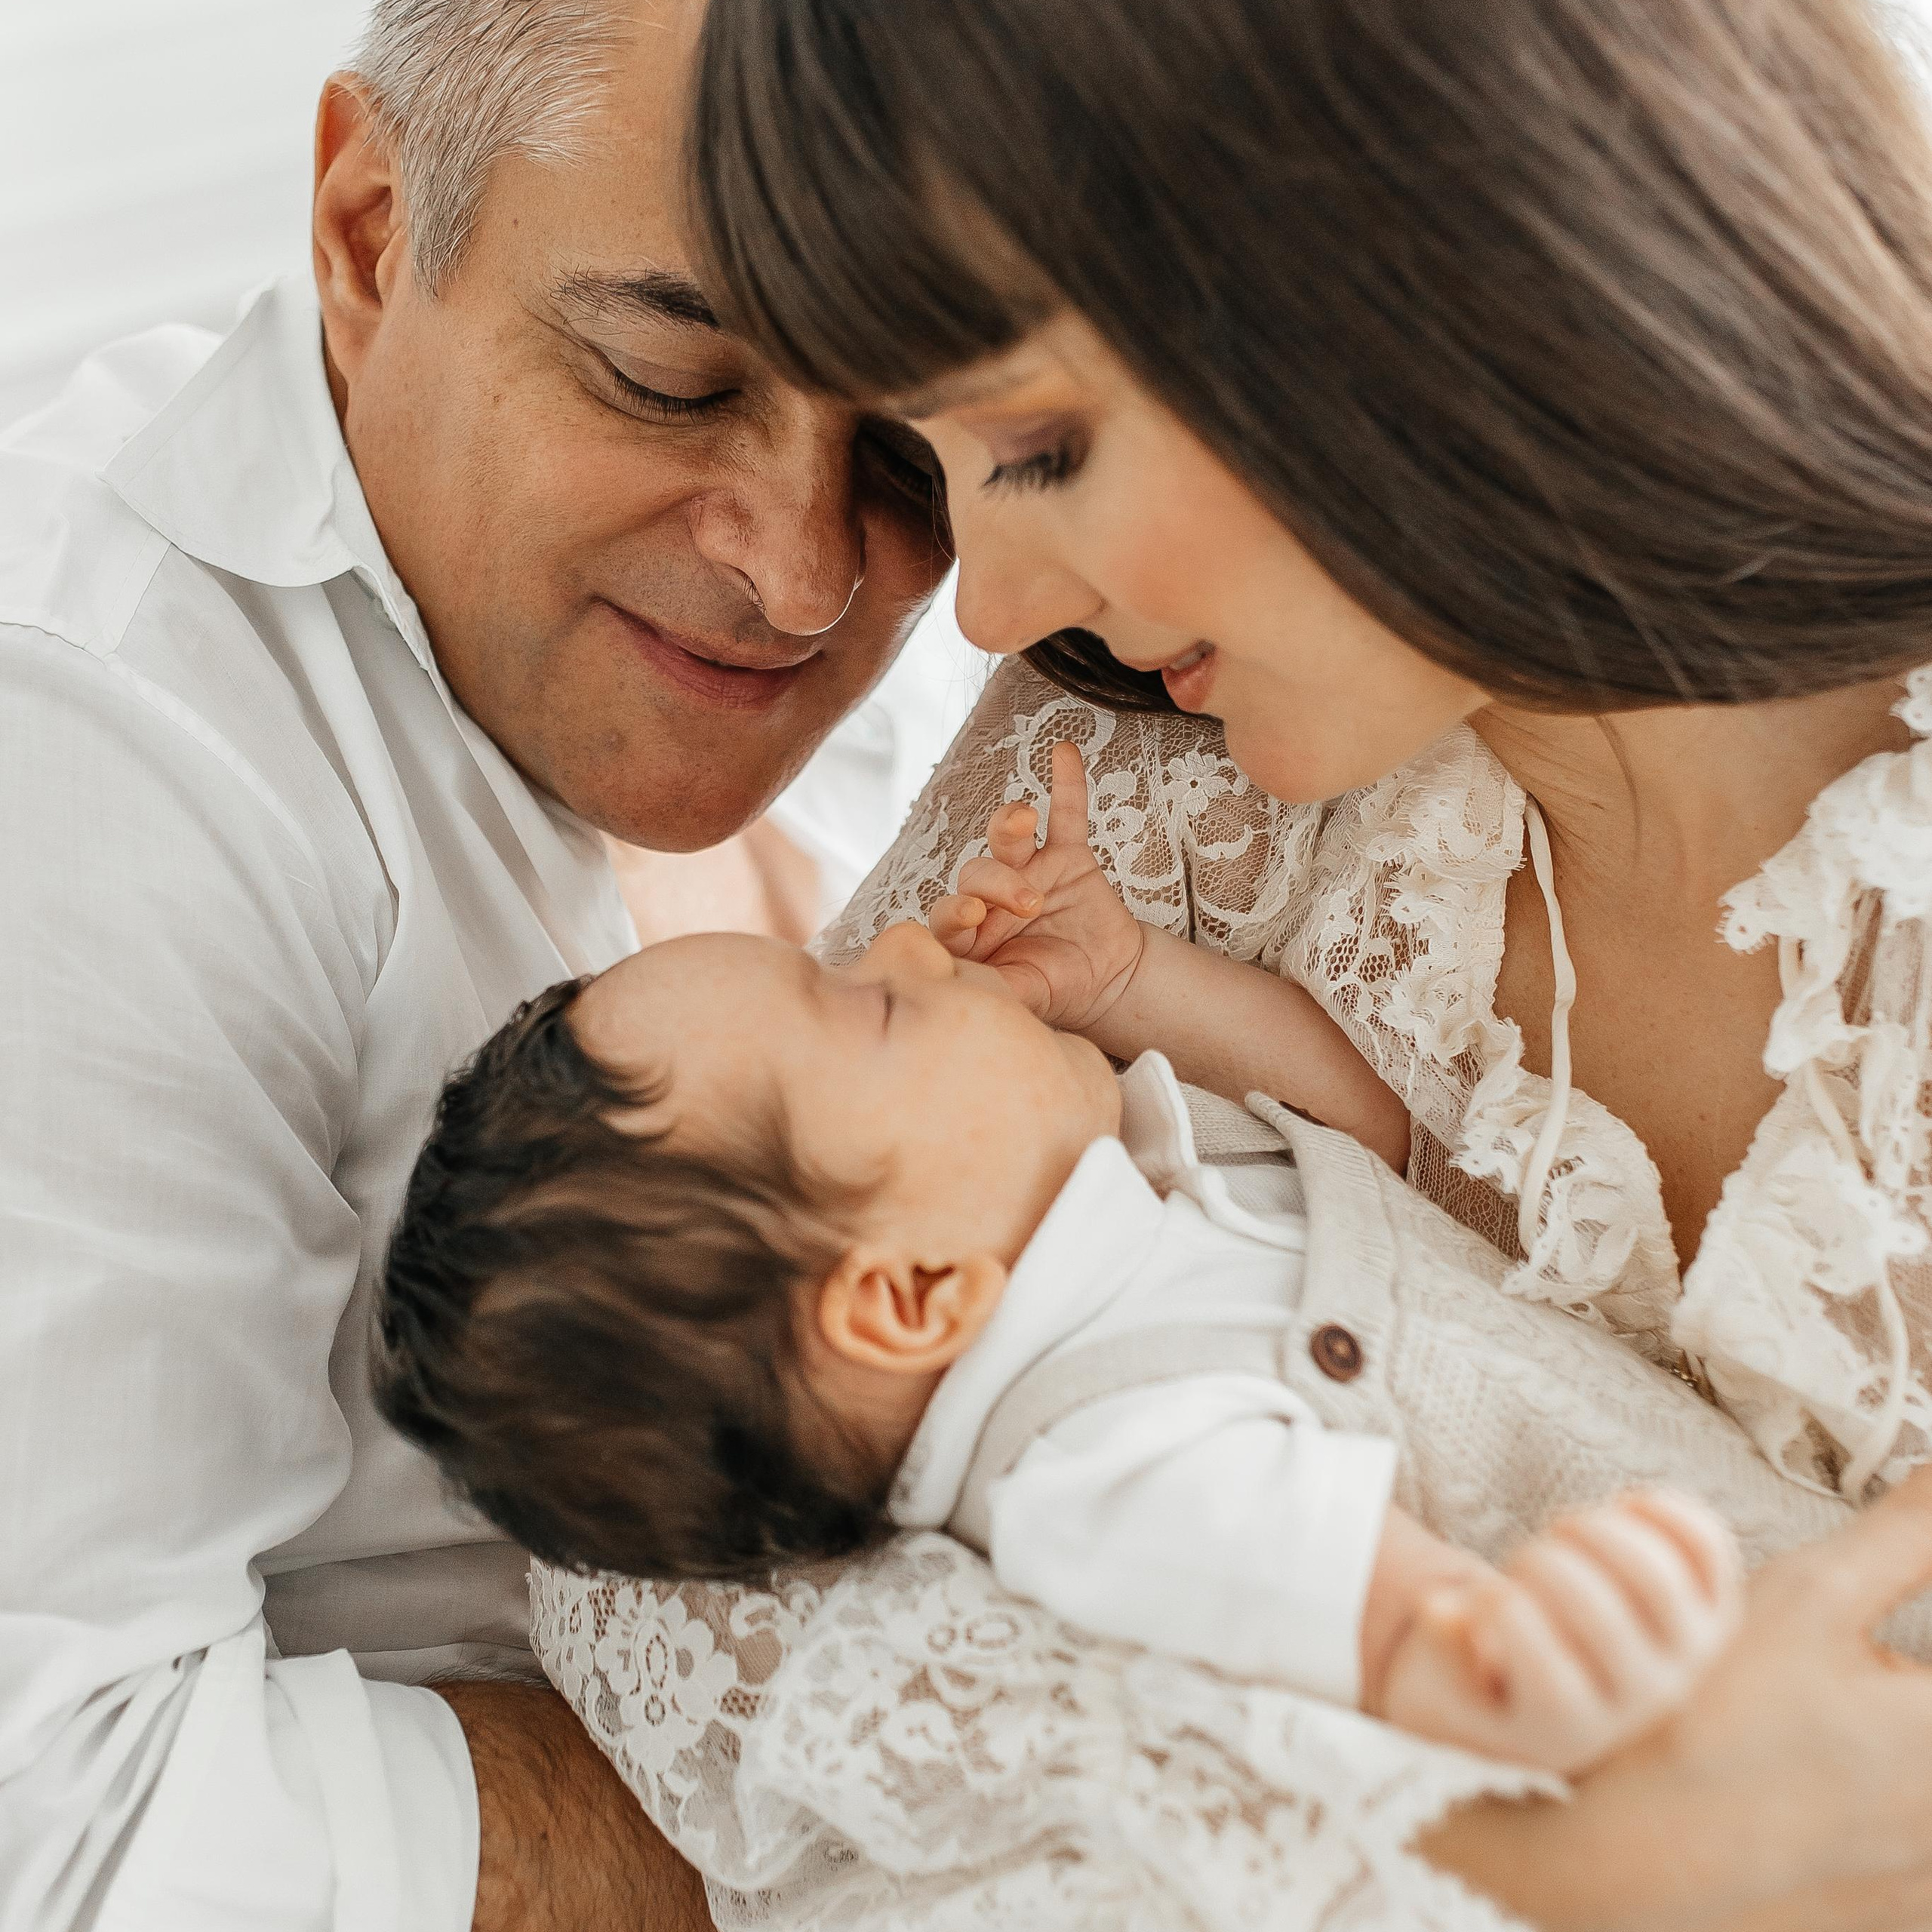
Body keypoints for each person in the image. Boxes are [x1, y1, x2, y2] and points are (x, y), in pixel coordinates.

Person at [520, 0, 1932, 1927]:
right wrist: (1552, 1867)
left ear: (1423, 261)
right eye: (936, 466)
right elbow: (669, 1544)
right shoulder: (1124, 775)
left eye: (1035, 443)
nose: (987, 609)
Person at [0, 0, 950, 1926]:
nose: (799, 576)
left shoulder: (968, 675)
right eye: (666, 379)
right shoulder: (90, 752)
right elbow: (73, 1828)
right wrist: (984, 1799)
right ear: (370, 231)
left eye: (914, 454)